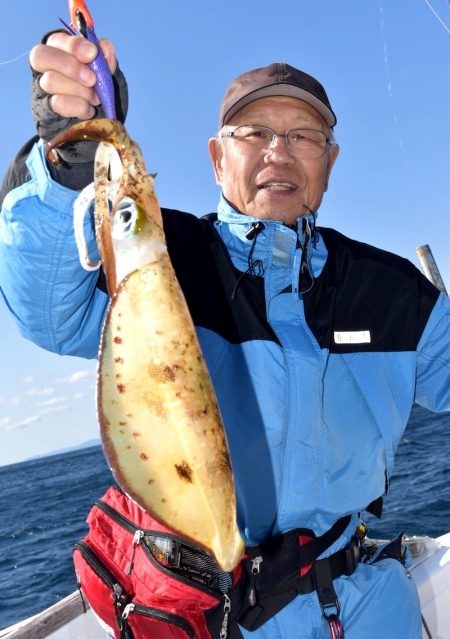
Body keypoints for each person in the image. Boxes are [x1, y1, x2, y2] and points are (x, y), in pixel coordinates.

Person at [1, 31, 449, 639]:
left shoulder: (396, 292)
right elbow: (50, 313)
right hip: (216, 615)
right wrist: (71, 160)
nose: (278, 153)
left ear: (330, 162)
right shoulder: (161, 259)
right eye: (255, 133)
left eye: (303, 136)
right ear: (217, 157)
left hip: (370, 605)